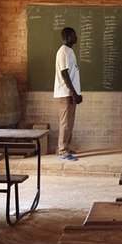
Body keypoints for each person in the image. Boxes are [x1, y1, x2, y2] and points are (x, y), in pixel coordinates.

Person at [54, 26, 82, 161]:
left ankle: (65, 146)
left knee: (70, 122)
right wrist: (74, 93)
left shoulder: (69, 51)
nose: (77, 37)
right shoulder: (64, 51)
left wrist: (77, 93)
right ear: (69, 37)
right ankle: (62, 151)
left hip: (71, 93)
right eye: (74, 35)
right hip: (66, 93)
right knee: (65, 122)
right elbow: (64, 73)